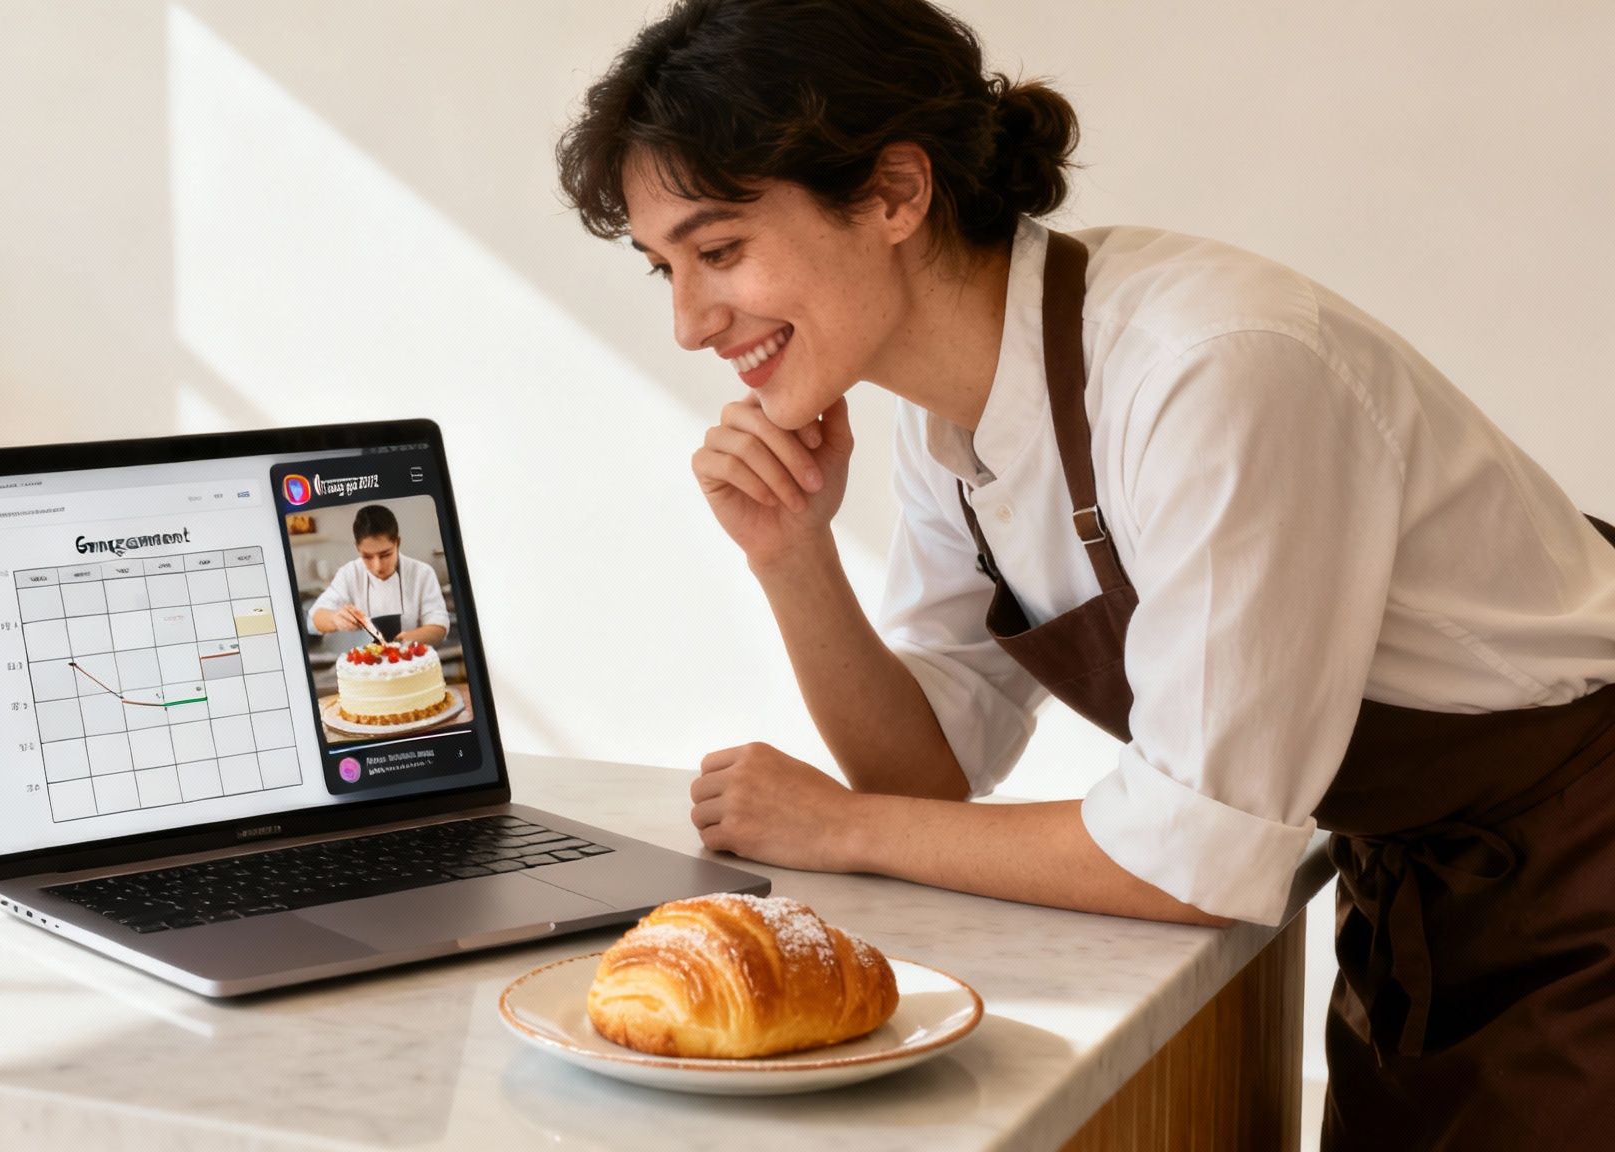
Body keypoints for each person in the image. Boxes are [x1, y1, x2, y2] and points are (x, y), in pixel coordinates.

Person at [554, 1, 1615, 1147]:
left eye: (718, 252)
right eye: (664, 266)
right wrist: (790, 553)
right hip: (1426, 887)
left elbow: (1190, 856)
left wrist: (838, 828)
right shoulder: (942, 418)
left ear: (895, 194)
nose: (687, 322)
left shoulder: (1207, 371)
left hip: (1583, 857)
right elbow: (931, 765)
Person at [308, 504, 450, 647]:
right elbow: (314, 619)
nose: (378, 566)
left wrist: (400, 643)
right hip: (366, 666)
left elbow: (439, 626)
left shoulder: (422, 573)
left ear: (397, 543)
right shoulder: (349, 574)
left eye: (386, 554)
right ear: (358, 548)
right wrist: (335, 619)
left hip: (413, 660)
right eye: (367, 557)